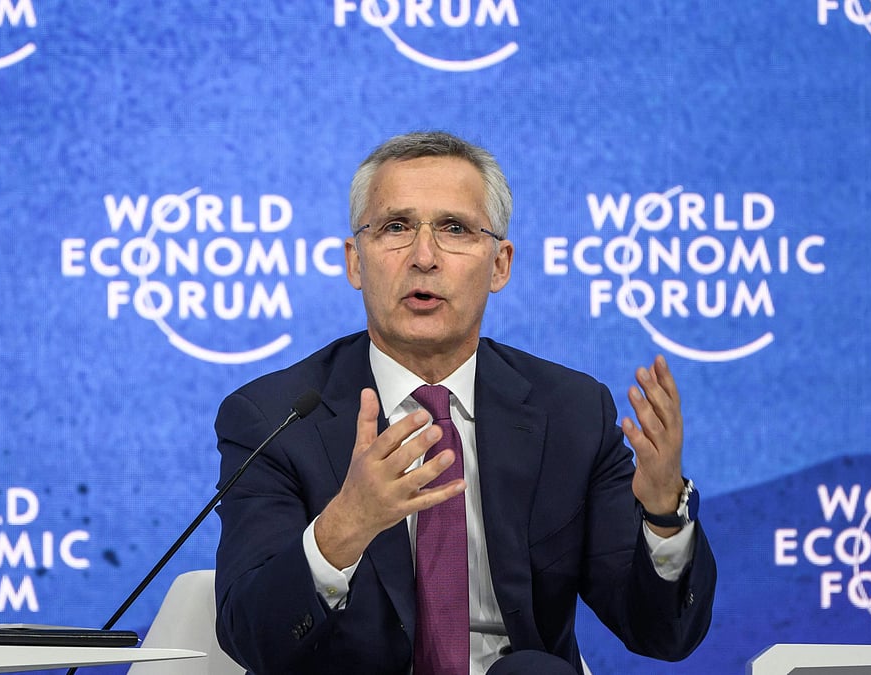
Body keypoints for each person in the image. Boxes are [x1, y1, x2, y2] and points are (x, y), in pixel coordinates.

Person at [213, 131, 715, 675]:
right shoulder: (276, 419)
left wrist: (663, 513)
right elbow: (252, 639)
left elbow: (662, 633)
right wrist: (344, 527)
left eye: (454, 229)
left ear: (499, 264)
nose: (423, 257)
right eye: (395, 227)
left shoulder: (571, 414)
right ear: (355, 262)